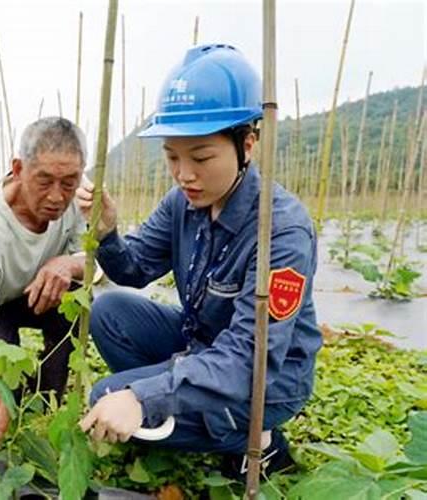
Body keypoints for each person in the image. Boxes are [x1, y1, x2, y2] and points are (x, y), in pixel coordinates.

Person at [76, 44, 322, 480]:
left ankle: (260, 439)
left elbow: (250, 358)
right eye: (173, 157)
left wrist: (142, 397)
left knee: (109, 395)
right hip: (203, 346)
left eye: (202, 157)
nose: (184, 174)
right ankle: (192, 411)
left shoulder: (281, 231)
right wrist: (107, 233)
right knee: (110, 312)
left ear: (247, 144)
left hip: (267, 379)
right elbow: (133, 270)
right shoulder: (182, 203)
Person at [0, 117, 88, 453]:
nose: (57, 196)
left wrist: (68, 263)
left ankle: (47, 402)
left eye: (69, 182)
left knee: (77, 303)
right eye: (44, 181)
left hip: (43, 296)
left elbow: (101, 257)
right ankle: (7, 410)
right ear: (18, 169)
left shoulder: (80, 198)